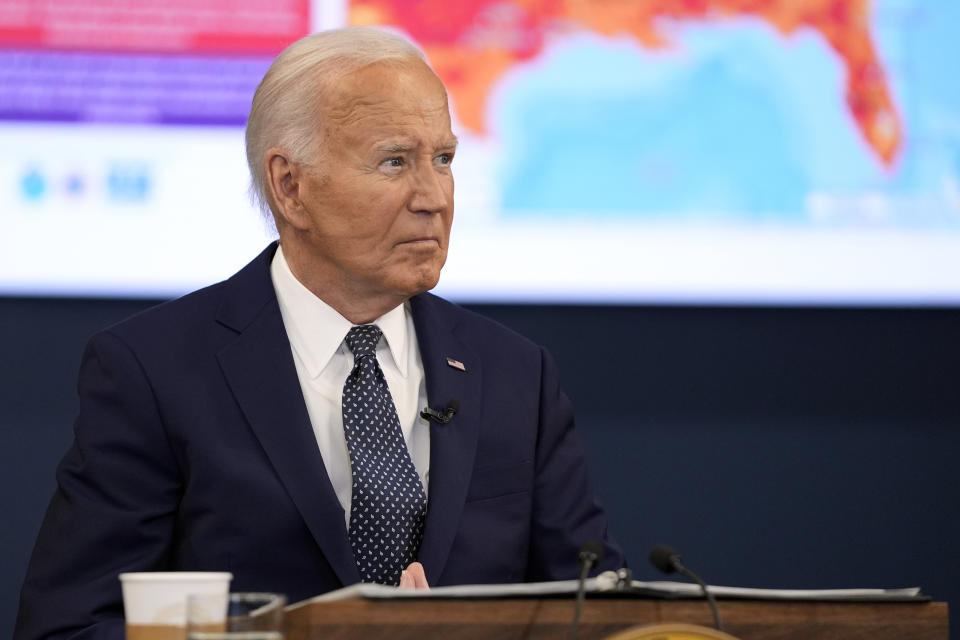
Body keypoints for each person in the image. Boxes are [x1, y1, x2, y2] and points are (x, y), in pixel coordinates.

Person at [14, 27, 624, 640]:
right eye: (395, 161)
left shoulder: (516, 374)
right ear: (291, 186)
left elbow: (599, 614)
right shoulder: (155, 371)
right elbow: (69, 626)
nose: (434, 197)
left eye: (443, 159)